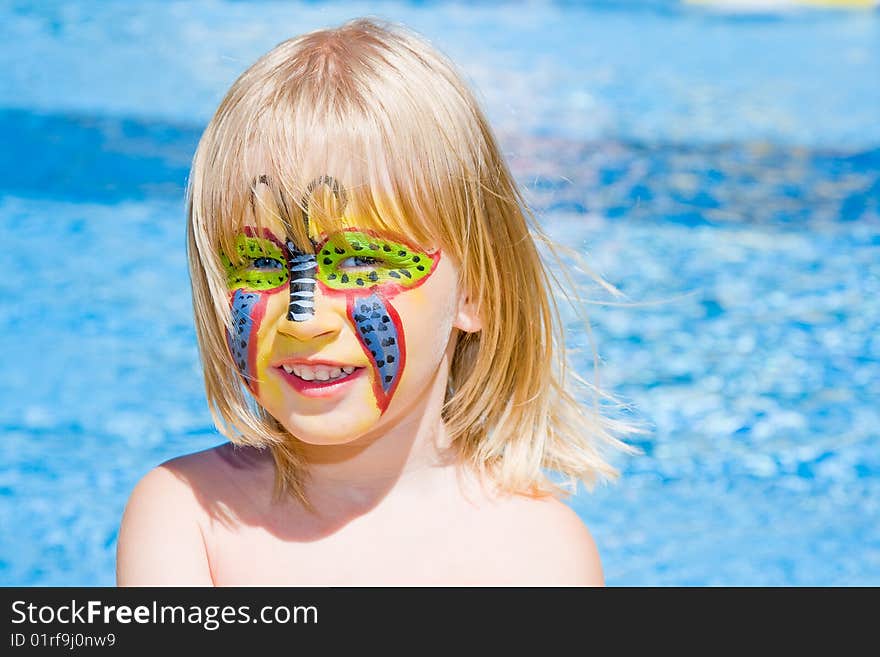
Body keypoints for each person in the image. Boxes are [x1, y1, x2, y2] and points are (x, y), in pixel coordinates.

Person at [116, 18, 640, 586]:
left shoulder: (535, 553)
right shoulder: (188, 516)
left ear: (477, 291)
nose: (305, 318)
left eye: (362, 264)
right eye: (263, 264)